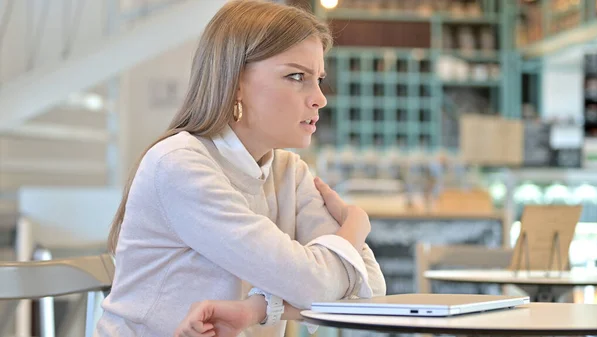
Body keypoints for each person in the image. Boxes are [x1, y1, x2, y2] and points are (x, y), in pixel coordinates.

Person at [95, 1, 385, 336]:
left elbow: (371, 291)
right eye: (296, 76)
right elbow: (314, 285)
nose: (320, 97)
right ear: (234, 83)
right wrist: (355, 225)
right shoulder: (179, 164)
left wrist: (258, 309)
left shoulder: (289, 171)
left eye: (318, 78)